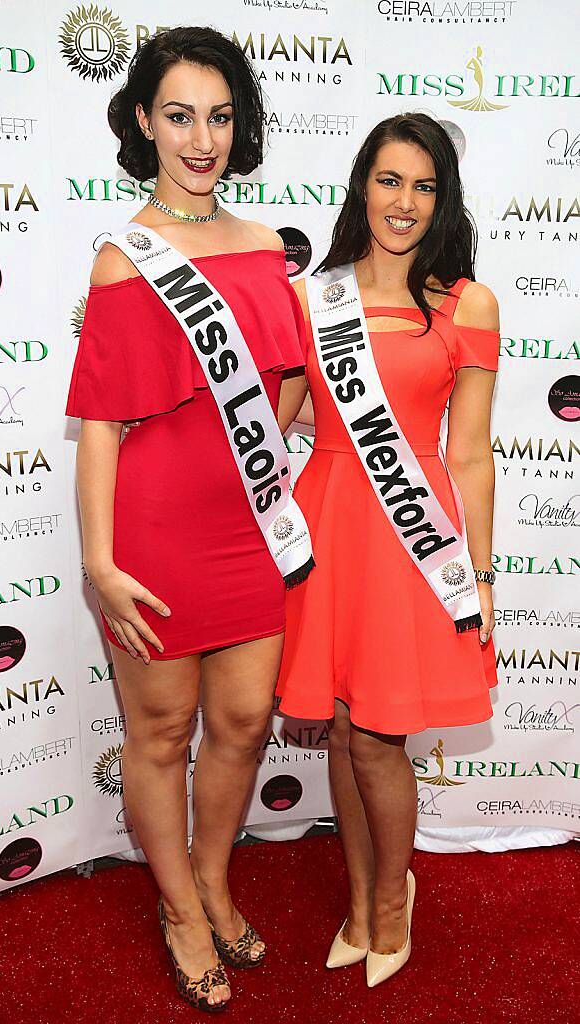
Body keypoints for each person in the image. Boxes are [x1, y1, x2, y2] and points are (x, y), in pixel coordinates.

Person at [66, 26, 311, 1013]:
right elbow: (99, 428)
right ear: (143, 121)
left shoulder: (261, 249)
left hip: (250, 528)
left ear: (239, 124)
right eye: (179, 115)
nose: (202, 138)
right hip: (155, 533)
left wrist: (257, 471)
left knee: (245, 721)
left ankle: (214, 876)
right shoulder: (127, 260)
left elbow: (287, 382)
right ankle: (178, 907)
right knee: (162, 730)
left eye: (218, 116)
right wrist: (98, 559)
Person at [276, 112, 499, 988]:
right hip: (326, 523)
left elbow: (470, 454)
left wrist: (477, 579)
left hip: (410, 546)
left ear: (440, 199)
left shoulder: (464, 304)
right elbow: (283, 414)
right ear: (361, 184)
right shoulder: (313, 297)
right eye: (388, 180)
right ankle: (363, 894)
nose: (402, 202)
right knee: (337, 728)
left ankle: (388, 907)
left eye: (423, 185)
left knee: (377, 738)